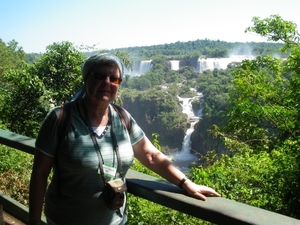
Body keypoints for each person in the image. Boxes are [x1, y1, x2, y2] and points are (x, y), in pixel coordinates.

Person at [28, 53, 220, 225]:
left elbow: (151, 155)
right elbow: (40, 174)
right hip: (66, 220)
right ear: (86, 79)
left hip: (116, 220)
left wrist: (186, 183)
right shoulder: (60, 118)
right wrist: (34, 221)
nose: (107, 82)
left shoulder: (122, 117)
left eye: (114, 79)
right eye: (99, 76)